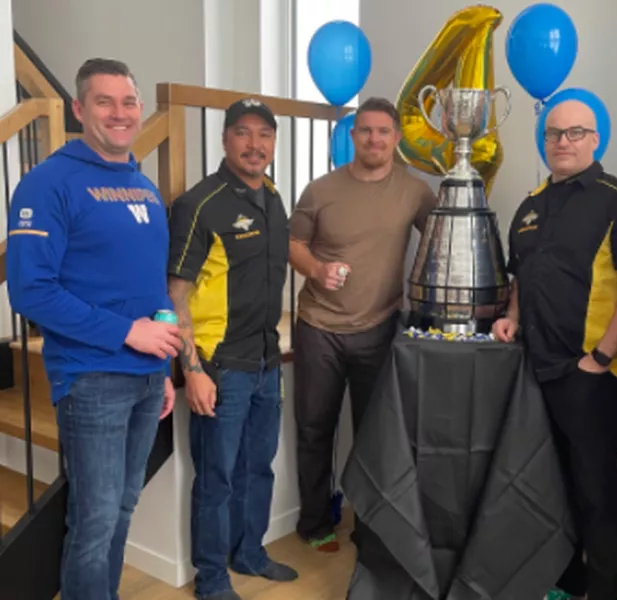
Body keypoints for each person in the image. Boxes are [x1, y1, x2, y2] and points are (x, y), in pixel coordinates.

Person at [5, 58, 181, 600]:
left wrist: (165, 365)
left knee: (122, 508)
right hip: (92, 378)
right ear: (80, 109)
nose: (120, 113)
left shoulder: (142, 185)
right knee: (95, 520)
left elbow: (152, 288)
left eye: (129, 102)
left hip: (147, 376)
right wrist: (129, 334)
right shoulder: (48, 183)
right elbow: (31, 291)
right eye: (104, 102)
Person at [493, 100, 617, 600]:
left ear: (595, 139)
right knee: (554, 483)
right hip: (537, 369)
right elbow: (522, 279)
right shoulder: (530, 205)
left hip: (592, 375)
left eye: (576, 132)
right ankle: (567, 582)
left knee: (596, 489)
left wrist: (601, 357)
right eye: (555, 133)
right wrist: (512, 319)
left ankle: (603, 591)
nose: (563, 141)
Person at [289, 97, 438, 552]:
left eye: (383, 132)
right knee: (315, 429)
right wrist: (316, 271)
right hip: (318, 326)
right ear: (352, 137)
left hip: (379, 327)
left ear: (396, 139)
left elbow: (441, 241)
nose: (374, 138)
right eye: (365, 130)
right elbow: (293, 244)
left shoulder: (414, 191)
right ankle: (315, 525)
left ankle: (371, 530)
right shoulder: (320, 189)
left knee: (376, 437)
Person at [168, 98, 297, 600]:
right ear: (224, 140)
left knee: (258, 466)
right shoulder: (199, 204)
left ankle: (249, 553)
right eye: (243, 133)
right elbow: (174, 294)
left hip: (267, 360)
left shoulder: (274, 198)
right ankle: (212, 578)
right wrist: (192, 368)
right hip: (221, 367)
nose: (255, 144)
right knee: (216, 477)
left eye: (264, 135)